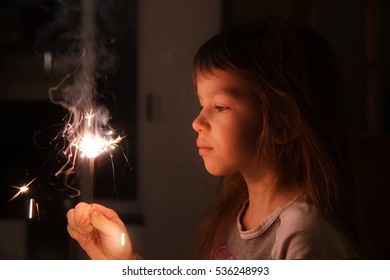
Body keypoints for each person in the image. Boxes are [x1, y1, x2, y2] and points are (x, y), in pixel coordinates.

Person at [66, 18, 359, 259]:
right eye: (200, 104)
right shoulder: (235, 214)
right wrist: (125, 262)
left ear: (283, 123)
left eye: (220, 107)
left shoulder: (305, 240)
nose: (197, 122)